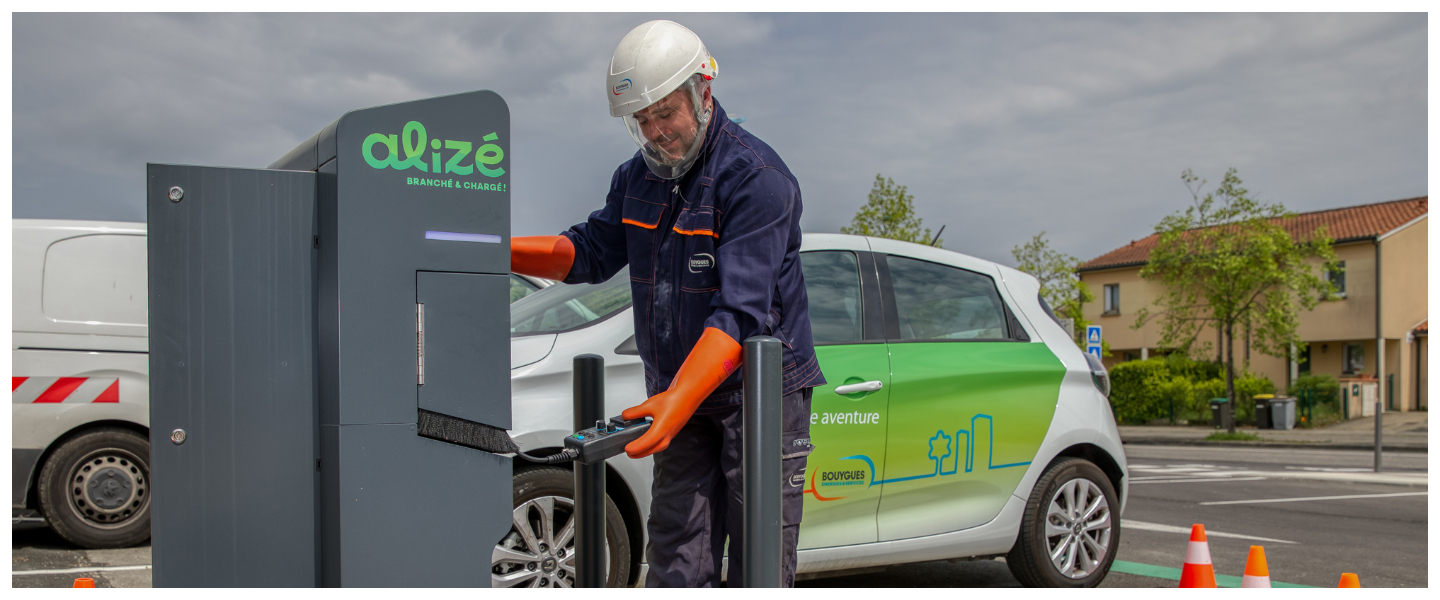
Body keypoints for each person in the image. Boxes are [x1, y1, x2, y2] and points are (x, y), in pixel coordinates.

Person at [509, 20, 824, 588]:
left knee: (759, 563)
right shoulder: (637, 179)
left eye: (665, 113)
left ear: (703, 91)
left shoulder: (758, 180)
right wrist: (496, 251)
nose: (655, 132)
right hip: (682, 391)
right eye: (641, 120)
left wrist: (675, 399)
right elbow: (587, 253)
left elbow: (740, 313)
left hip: (759, 398)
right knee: (677, 556)